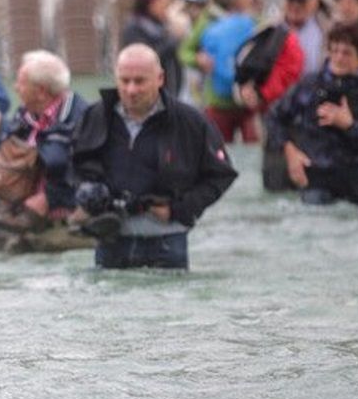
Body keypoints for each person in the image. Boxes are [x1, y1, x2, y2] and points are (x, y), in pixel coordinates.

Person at [71, 44, 237, 269]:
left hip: (167, 242)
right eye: (124, 80)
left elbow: (222, 174)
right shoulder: (95, 116)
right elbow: (74, 165)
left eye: (140, 81)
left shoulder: (191, 121)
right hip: (110, 238)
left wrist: (180, 210)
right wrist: (87, 193)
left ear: (160, 78)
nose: (131, 89)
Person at [0, 51, 91, 252]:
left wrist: (50, 198)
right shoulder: (24, 116)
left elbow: (86, 171)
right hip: (27, 220)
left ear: (41, 91)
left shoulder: (82, 118)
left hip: (70, 225)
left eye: (21, 82)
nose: (15, 87)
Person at [264, 23, 358, 205]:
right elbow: (273, 117)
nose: (338, 58)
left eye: (346, 53)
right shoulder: (310, 85)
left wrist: (349, 126)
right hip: (317, 180)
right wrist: (290, 152)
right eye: (334, 51)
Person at [182, 0, 259, 143]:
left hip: (248, 100)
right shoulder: (208, 20)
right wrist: (198, 59)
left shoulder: (252, 20)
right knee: (218, 148)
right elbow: (184, 51)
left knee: (253, 146)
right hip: (217, 101)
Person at [122, 0, 184, 98]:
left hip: (171, 93)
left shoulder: (163, 25)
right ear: (150, 4)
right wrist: (173, 39)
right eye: (163, 3)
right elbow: (147, 59)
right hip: (148, 96)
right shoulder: (135, 28)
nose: (167, 9)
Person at [281, 0, 329, 76]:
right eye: (291, 0)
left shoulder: (328, 29)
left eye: (301, 0)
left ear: (314, 1)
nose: (296, 5)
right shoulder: (270, 31)